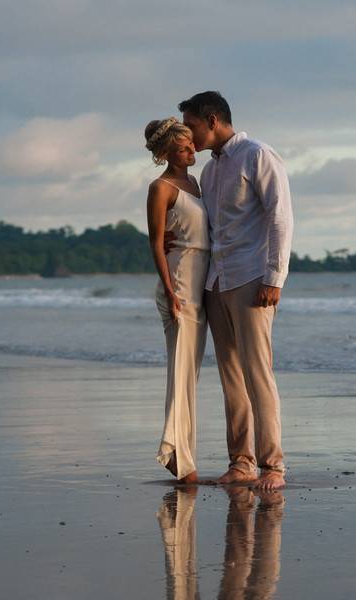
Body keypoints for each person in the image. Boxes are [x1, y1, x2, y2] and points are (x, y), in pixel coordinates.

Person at [179, 91, 293, 490]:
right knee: (231, 378)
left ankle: (273, 467)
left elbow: (281, 217)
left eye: (191, 126)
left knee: (258, 373)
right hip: (216, 282)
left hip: (251, 279)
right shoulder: (209, 173)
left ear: (212, 120)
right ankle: (241, 463)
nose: (188, 137)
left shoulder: (258, 155)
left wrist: (274, 278)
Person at [144, 117, 209, 484]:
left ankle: (179, 452)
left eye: (191, 147)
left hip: (201, 283)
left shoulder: (196, 183)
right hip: (179, 284)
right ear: (167, 152)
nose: (191, 152)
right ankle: (176, 456)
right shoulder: (161, 187)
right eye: (184, 148)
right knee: (180, 373)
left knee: (192, 375)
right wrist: (170, 292)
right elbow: (155, 242)